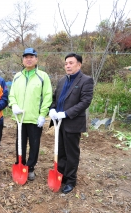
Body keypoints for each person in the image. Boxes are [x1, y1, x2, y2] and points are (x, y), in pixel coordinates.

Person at [49, 53, 94, 194]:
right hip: (59, 123)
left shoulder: (86, 80)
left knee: (72, 153)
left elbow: (85, 102)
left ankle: (71, 180)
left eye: (71, 63)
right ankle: (61, 174)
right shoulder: (62, 80)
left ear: (79, 65)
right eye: (66, 63)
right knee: (61, 150)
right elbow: (55, 98)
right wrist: (52, 109)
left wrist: (66, 113)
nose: (67, 65)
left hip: (72, 122)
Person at [9, 47, 53, 181]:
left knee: (34, 144)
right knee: (19, 144)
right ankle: (20, 164)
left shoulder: (42, 76)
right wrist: (14, 105)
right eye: (26, 57)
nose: (28, 59)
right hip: (20, 118)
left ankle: (31, 167)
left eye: (31, 57)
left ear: (36, 59)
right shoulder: (17, 76)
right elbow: (12, 94)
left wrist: (43, 114)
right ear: (22, 60)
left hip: (35, 118)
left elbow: (47, 96)